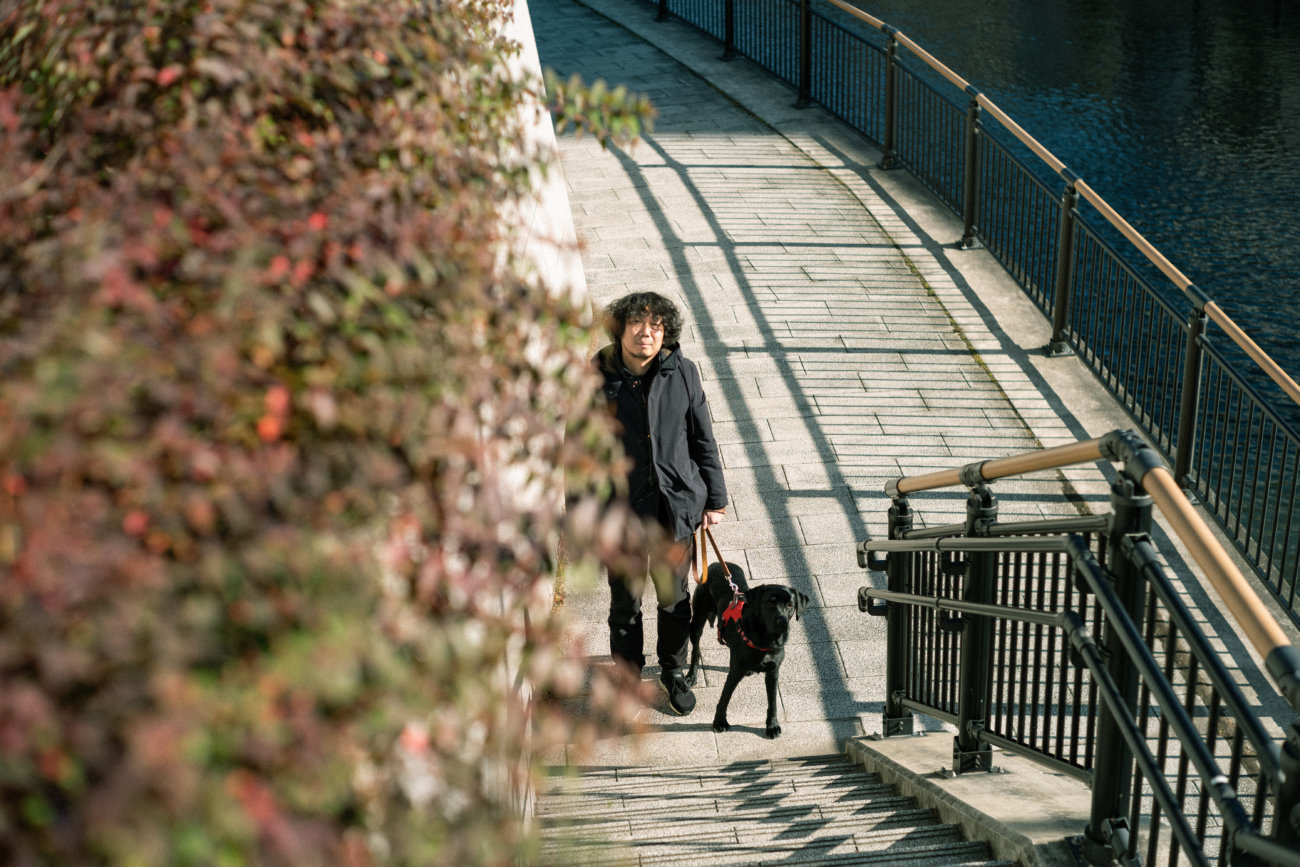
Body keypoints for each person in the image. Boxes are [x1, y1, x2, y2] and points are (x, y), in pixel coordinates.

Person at [594, 291, 728, 715]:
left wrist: (716, 498)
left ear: (665, 332)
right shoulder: (596, 378)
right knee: (625, 602)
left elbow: (703, 438)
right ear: (620, 328)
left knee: (674, 599)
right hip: (622, 511)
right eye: (637, 323)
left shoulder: (684, 373)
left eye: (655, 326)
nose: (646, 333)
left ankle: (673, 669)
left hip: (674, 508)